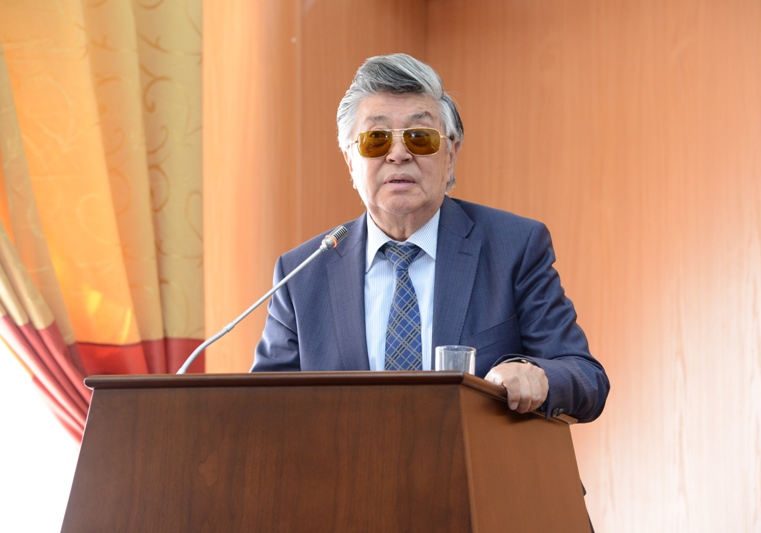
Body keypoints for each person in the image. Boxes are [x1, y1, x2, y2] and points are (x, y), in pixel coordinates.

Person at [251, 53, 609, 422]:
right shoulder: (301, 274)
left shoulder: (514, 247)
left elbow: (586, 377)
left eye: (419, 138)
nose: (398, 154)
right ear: (350, 159)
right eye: (376, 139)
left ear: (451, 154)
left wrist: (537, 376)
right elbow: (262, 410)